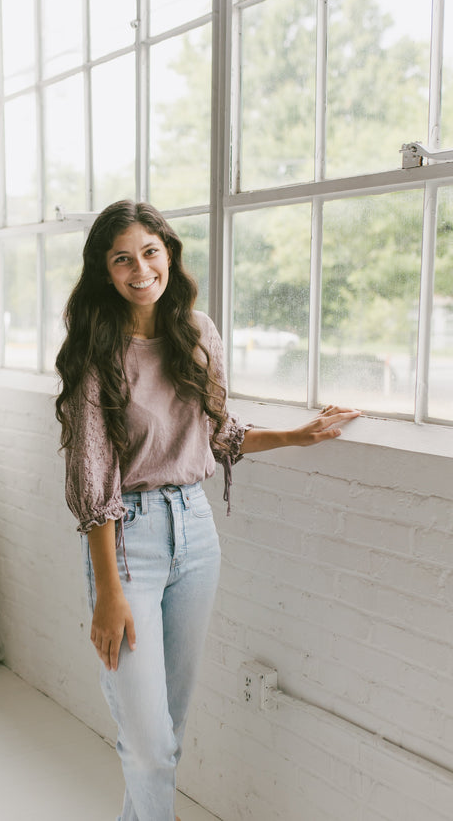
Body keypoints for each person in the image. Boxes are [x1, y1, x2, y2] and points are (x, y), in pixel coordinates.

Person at [55, 199, 360, 821]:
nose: (139, 269)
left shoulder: (198, 333)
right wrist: (108, 589)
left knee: (167, 732)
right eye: (122, 259)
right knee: (148, 745)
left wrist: (297, 435)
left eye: (149, 252)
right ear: (104, 271)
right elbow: (93, 481)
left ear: (168, 255)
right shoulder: (96, 352)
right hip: (127, 544)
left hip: (195, 534)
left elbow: (221, 437)